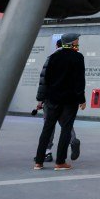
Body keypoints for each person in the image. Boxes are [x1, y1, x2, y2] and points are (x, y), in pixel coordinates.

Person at [33, 32, 85, 170]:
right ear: (72, 42)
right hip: (69, 100)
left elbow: (45, 79)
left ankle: (39, 161)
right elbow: (79, 80)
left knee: (47, 129)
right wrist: (82, 99)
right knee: (66, 129)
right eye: (77, 40)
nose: (78, 42)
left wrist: (41, 99)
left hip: (52, 99)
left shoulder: (53, 57)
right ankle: (60, 162)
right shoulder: (78, 57)